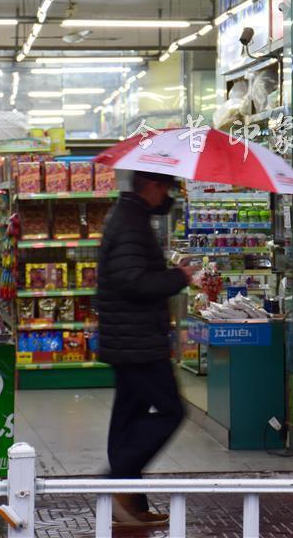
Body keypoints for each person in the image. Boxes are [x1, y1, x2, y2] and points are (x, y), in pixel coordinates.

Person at [97, 170, 194, 528]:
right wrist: (178, 278)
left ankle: (129, 506)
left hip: (129, 338)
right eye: (165, 188)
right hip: (137, 341)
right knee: (171, 411)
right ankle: (115, 482)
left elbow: (132, 272)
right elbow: (133, 281)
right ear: (151, 187)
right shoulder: (130, 223)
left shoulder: (132, 216)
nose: (166, 195)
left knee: (127, 420)